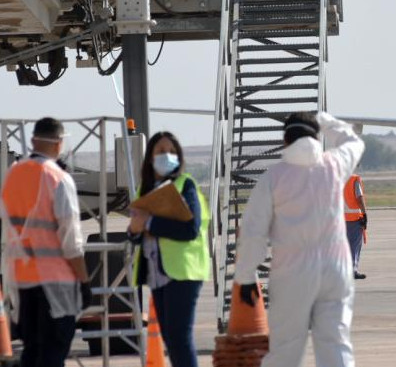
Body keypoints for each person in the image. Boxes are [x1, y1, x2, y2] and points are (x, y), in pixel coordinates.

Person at [236, 112, 364, 367]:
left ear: (285, 140)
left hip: (291, 271)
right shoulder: (335, 165)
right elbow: (355, 142)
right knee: (335, 344)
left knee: (285, 348)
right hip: (335, 269)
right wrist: (327, 120)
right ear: (316, 136)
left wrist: (246, 276)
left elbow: (253, 232)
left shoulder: (274, 177)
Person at [0, 117, 91, 367]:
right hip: (55, 282)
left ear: (34, 140)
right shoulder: (57, 178)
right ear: (59, 144)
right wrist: (84, 280)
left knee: (32, 352)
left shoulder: (13, 175)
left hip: (23, 279)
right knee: (52, 353)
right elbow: (70, 239)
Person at [128, 131, 211, 367]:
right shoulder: (144, 190)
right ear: (150, 158)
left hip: (183, 272)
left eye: (172, 151)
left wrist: (150, 223)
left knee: (179, 338)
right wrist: (134, 230)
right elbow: (135, 232)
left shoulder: (186, 186)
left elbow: (190, 229)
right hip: (157, 274)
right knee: (171, 340)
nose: (167, 156)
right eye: (161, 152)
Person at [343, 174, 368, 280]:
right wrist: (364, 214)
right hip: (354, 218)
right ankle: (352, 271)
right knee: (354, 246)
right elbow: (359, 197)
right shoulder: (354, 179)